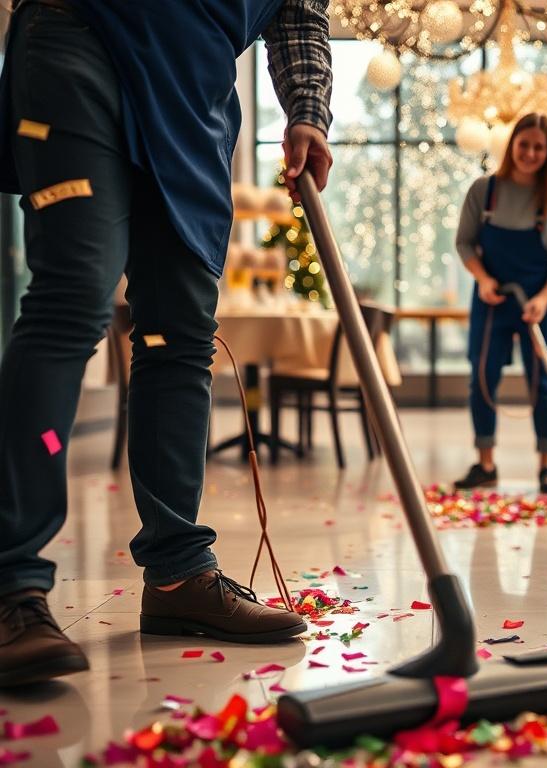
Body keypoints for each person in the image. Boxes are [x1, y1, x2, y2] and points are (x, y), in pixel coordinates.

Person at [0, 0, 333, 687]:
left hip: (194, 89)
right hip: (83, 31)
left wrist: (308, 111)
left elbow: (300, 10)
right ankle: (10, 584)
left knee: (179, 332)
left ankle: (179, 575)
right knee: (74, 296)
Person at [453, 113, 547, 495]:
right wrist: (483, 279)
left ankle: (546, 466)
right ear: (512, 146)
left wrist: (544, 298)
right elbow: (464, 243)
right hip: (491, 299)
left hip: (540, 303)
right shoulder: (484, 191)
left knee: (542, 383)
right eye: (524, 144)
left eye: (539, 147)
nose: (530, 153)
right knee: (482, 378)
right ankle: (485, 464)